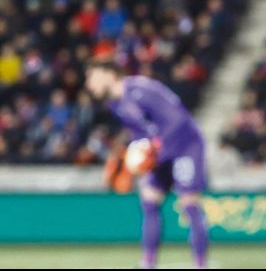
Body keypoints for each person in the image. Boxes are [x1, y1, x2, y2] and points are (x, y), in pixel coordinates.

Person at [85, 59, 208, 269]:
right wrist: (137, 153)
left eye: (92, 76)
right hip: (159, 152)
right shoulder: (115, 103)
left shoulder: (141, 90)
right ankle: (148, 263)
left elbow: (177, 120)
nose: (89, 84)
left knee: (189, 203)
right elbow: (140, 132)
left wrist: (153, 149)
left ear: (109, 73)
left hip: (185, 145)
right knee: (149, 201)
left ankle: (200, 264)